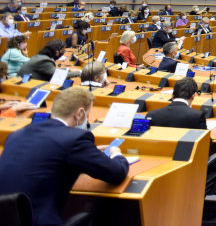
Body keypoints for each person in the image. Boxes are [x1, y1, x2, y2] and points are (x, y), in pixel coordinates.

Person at [0, 87, 130, 226]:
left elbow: (48, 157)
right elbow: (116, 173)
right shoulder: (75, 139)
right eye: (88, 114)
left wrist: (86, 153)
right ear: (80, 113)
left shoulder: (17, 134)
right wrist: (117, 154)